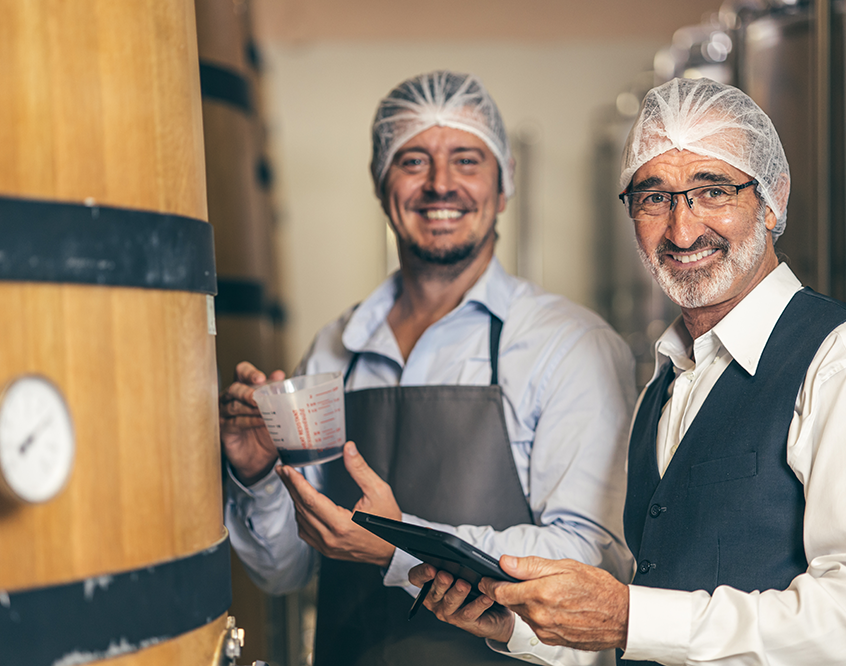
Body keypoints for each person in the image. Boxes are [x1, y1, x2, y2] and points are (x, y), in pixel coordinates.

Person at [409, 77, 846, 665]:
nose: (682, 230)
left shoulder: (832, 359)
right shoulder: (661, 389)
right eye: (653, 197)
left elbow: (839, 621)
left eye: (712, 190)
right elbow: (635, 632)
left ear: (772, 198)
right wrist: (514, 624)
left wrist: (627, 615)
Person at [220, 70, 637, 666]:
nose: (441, 185)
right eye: (413, 160)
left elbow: (587, 560)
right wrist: (257, 474)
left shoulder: (568, 345)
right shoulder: (334, 349)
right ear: (379, 180)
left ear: (503, 184)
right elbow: (286, 570)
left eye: (467, 160)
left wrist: (396, 545)